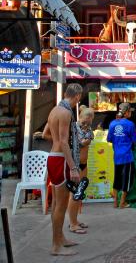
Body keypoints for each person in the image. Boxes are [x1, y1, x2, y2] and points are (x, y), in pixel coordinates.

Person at [45, 83, 82, 256]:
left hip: (53, 157)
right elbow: (64, 141)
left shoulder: (54, 110)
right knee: (61, 205)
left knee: (56, 204)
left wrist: (58, 143)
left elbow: (46, 134)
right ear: (77, 97)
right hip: (61, 160)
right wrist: (73, 167)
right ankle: (55, 246)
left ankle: (60, 239)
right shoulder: (66, 113)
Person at [107, 103, 136, 209]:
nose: (131, 113)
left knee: (117, 179)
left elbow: (109, 139)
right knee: (127, 179)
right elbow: (135, 140)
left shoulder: (112, 123)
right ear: (126, 113)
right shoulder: (130, 124)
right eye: (130, 111)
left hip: (117, 156)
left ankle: (115, 202)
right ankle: (122, 202)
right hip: (127, 156)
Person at [68, 106, 94, 234]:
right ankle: (72, 224)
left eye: (90, 120)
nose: (88, 122)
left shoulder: (88, 128)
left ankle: (75, 220)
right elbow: (77, 143)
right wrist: (84, 142)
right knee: (74, 194)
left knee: (79, 193)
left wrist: (86, 141)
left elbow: (87, 141)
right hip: (75, 165)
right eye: (86, 119)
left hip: (84, 165)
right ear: (81, 117)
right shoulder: (73, 127)